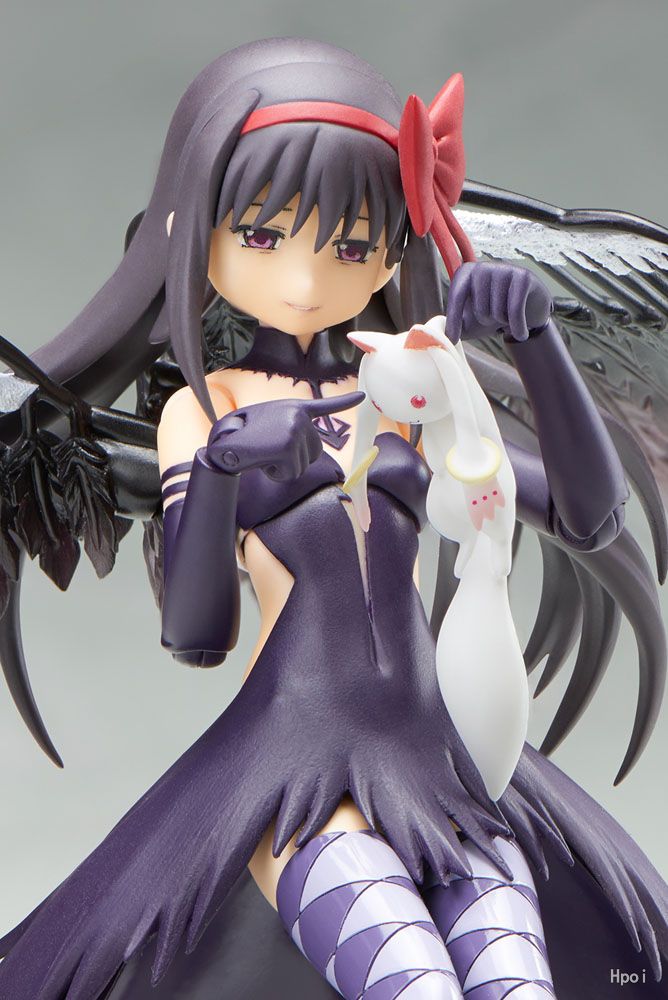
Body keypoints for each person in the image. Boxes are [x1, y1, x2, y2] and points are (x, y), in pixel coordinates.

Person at [0, 37, 667, 1000]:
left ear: (393, 249)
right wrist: (220, 470)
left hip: (445, 761)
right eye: (263, 236)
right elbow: (196, 636)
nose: (307, 280)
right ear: (200, 230)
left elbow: (587, 515)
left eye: (351, 247)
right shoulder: (208, 408)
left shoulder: (405, 387)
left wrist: (539, 344)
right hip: (299, 768)